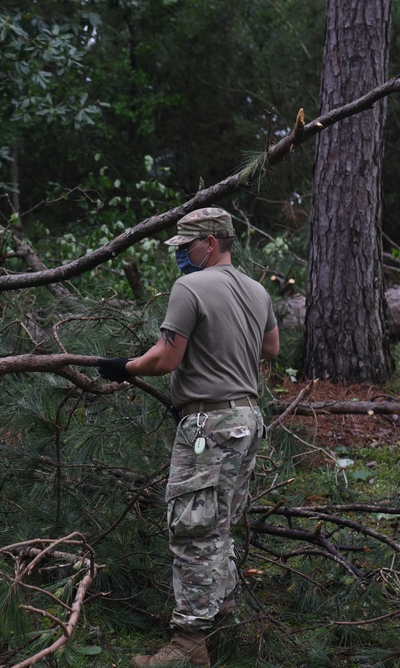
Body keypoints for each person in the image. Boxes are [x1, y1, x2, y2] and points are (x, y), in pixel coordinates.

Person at [97, 207, 279, 668]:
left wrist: (123, 368)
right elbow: (271, 348)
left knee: (194, 529)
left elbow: (165, 358)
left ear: (212, 242)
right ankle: (224, 618)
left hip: (209, 424)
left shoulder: (190, 287)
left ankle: (188, 645)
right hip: (248, 418)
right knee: (219, 525)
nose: (179, 254)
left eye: (185, 246)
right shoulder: (257, 290)